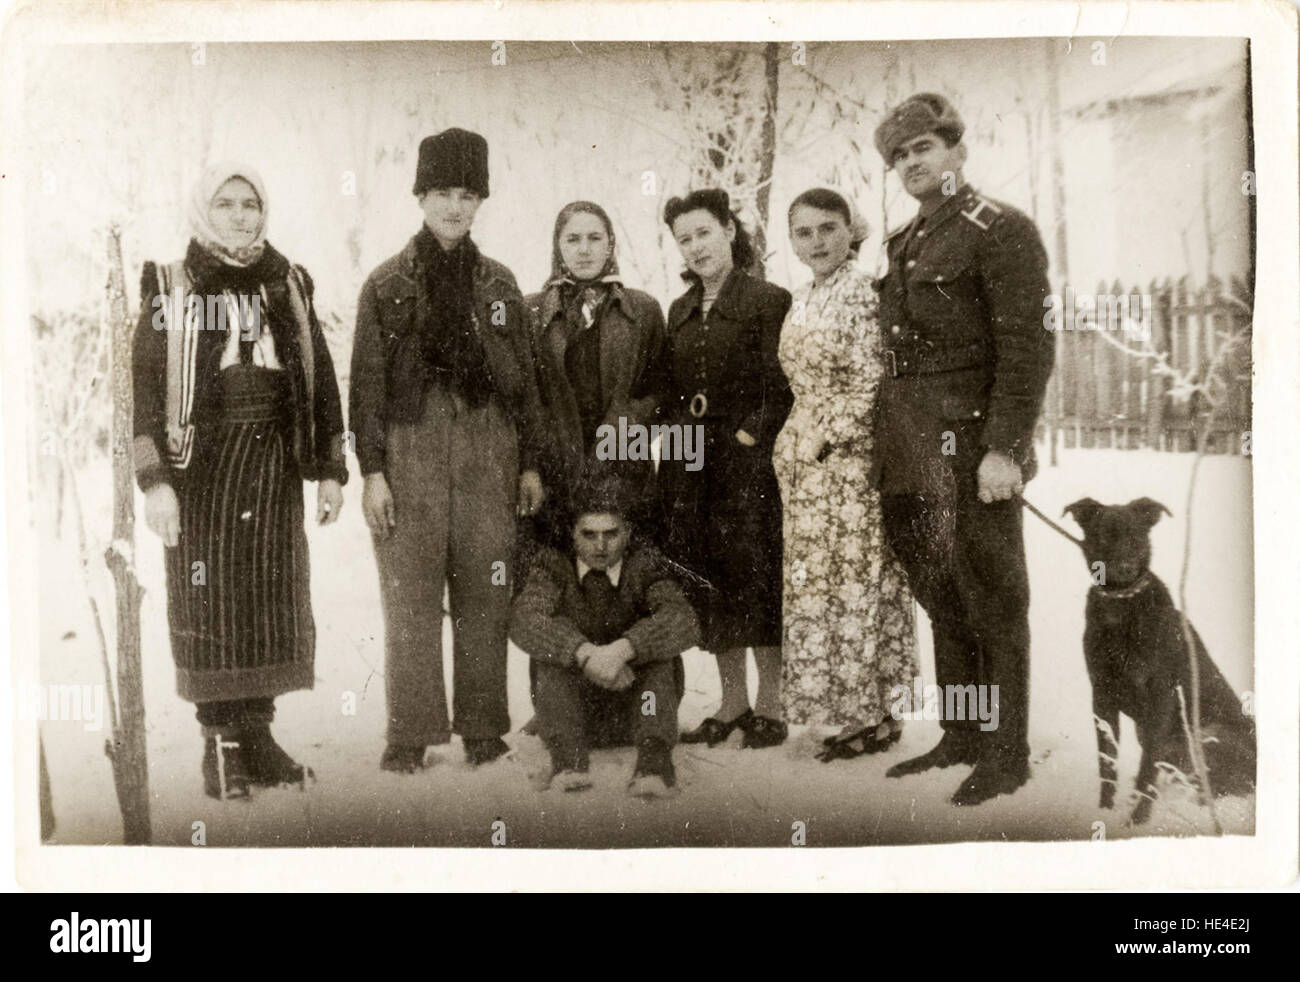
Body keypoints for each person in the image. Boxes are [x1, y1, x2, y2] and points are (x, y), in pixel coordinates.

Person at [133, 162, 348, 799]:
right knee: (211, 598)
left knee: (268, 597)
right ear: (204, 211)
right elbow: (144, 387)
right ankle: (220, 746)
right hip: (202, 466)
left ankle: (258, 736)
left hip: (275, 462)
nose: (240, 215)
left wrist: (331, 469)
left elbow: (322, 378)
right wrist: (155, 481)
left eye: (250, 202)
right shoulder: (171, 286)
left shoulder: (288, 282)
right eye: (225, 203)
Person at [871, 93, 1054, 804]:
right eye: (899, 156)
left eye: (923, 148)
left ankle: (1007, 754)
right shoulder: (904, 239)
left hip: (973, 451)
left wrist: (1005, 448)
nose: (911, 163)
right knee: (942, 597)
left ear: (956, 151)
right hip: (910, 452)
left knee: (995, 599)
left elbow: (1027, 347)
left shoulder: (999, 229)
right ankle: (962, 733)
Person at [349, 128, 548, 773]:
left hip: (490, 449)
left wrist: (529, 463)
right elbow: (367, 388)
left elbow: (525, 384)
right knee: (409, 597)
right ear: (420, 196)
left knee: (485, 594)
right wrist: (373, 473)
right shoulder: (386, 283)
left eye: (468, 194)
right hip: (411, 454)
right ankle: (409, 733)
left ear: (481, 201)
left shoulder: (499, 284)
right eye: (442, 193)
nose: (455, 207)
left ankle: (485, 727)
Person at [773, 188, 918, 761]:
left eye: (828, 229)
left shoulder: (860, 291)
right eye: (804, 233)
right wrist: (792, 445)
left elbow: (870, 379)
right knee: (823, 590)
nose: (817, 243)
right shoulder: (802, 296)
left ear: (848, 231)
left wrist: (825, 438)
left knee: (859, 587)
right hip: (805, 469)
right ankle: (858, 712)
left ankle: (873, 713)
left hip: (849, 464)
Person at [654, 188, 793, 749]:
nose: (695, 246)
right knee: (712, 580)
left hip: (749, 468)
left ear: (730, 231)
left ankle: (772, 704)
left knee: (757, 577)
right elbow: (670, 388)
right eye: (684, 239)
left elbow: (783, 387)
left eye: (704, 233)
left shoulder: (768, 299)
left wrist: (748, 433)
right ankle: (732, 702)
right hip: (692, 468)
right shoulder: (680, 309)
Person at [510, 478, 699, 797]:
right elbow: (525, 617)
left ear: (627, 534)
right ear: (572, 534)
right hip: (574, 715)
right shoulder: (554, 566)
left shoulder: (644, 565)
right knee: (550, 663)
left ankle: (654, 766)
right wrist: (585, 654)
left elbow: (682, 618)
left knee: (659, 663)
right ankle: (567, 765)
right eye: (589, 534)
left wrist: (625, 649)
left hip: (639, 712)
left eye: (611, 534)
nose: (600, 546)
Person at [524, 200, 667, 549]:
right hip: (556, 476)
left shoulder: (643, 309)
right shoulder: (531, 312)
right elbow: (527, 397)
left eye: (594, 238)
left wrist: (619, 435)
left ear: (610, 244)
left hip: (623, 472)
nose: (584, 249)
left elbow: (659, 390)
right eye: (572, 239)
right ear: (558, 246)